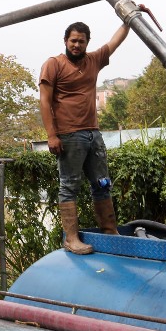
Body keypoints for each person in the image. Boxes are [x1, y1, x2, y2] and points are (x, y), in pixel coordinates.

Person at [39, 21, 129, 254]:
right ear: (65, 41)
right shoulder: (54, 64)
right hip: (69, 135)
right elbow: (45, 101)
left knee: (102, 183)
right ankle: (71, 239)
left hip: (93, 133)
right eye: (73, 40)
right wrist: (51, 135)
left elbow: (115, 41)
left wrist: (127, 20)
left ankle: (110, 230)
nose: (76, 45)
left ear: (87, 42)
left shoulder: (94, 60)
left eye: (81, 41)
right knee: (69, 186)